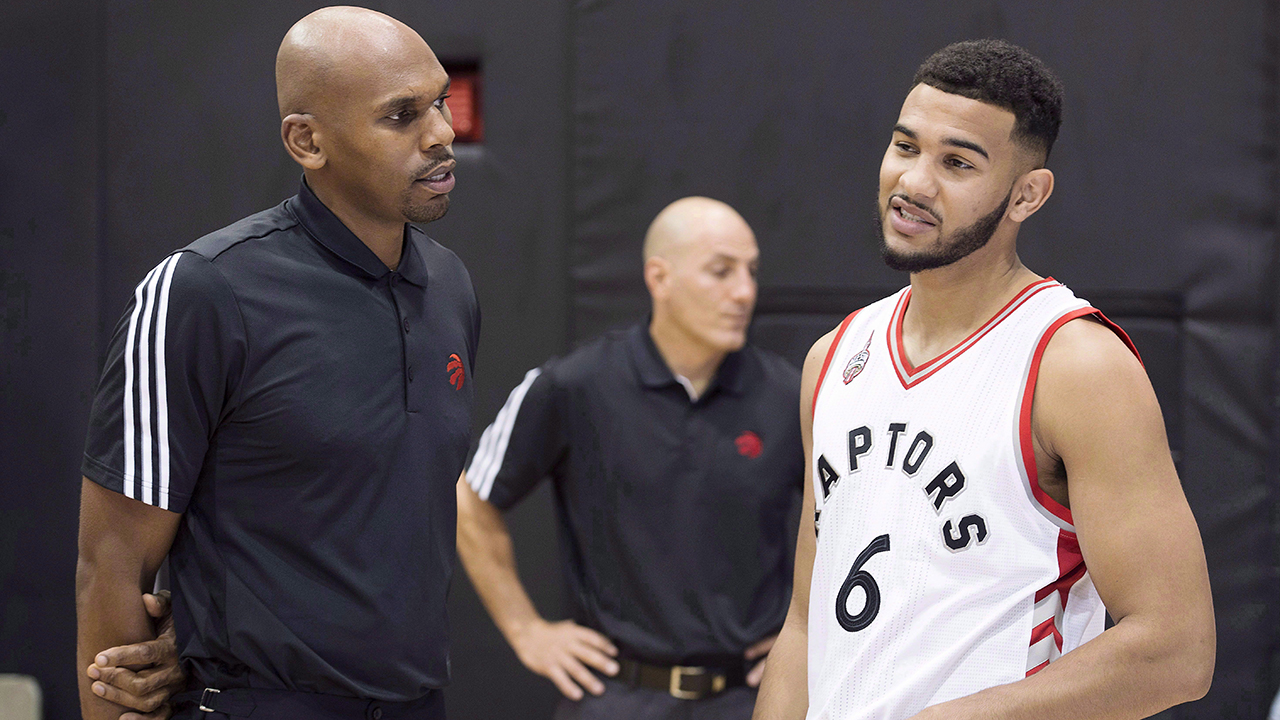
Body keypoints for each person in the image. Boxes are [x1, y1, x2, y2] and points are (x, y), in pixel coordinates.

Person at [752, 39, 1215, 720]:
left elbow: (1175, 651)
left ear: (1027, 193)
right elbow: (804, 623)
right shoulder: (835, 357)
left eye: (957, 163)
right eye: (905, 147)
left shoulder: (1074, 363)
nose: (913, 183)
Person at [76, 7, 477, 720]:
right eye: (401, 115)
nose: (442, 133)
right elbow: (110, 567)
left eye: (440, 100)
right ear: (307, 141)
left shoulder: (451, 288)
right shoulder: (204, 290)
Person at [456, 196, 804, 720]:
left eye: (751, 272)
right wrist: (526, 630)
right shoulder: (575, 385)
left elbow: (857, 520)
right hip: (619, 699)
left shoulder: (790, 396)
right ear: (659, 278)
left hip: (749, 702)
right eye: (720, 272)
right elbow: (470, 500)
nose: (745, 292)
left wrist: (812, 630)